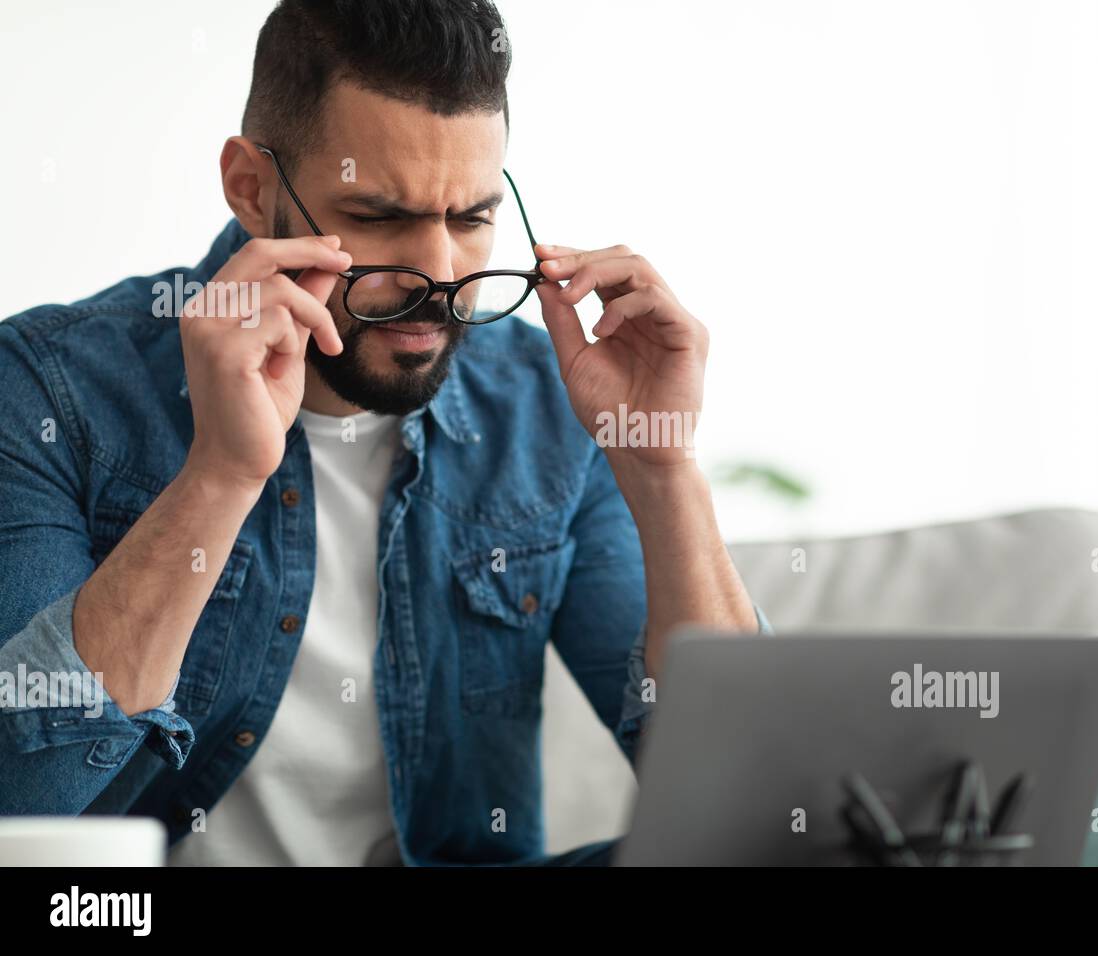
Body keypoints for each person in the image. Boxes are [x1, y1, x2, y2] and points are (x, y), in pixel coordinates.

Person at [0, 0, 767, 866]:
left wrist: (663, 469)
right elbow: (20, 803)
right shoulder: (48, 390)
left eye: (472, 218)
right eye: (378, 215)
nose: (441, 277)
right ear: (251, 188)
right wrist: (219, 478)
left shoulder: (547, 401)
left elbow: (752, 805)